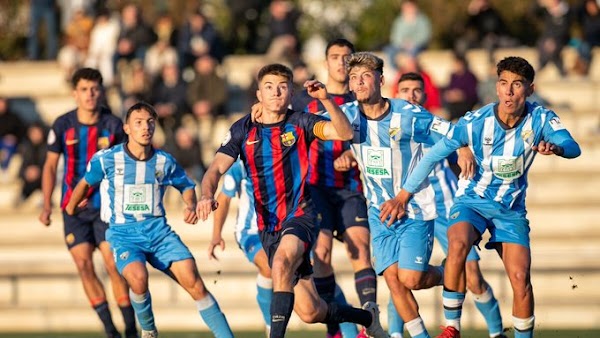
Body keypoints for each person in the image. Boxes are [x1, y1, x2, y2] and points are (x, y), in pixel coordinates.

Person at [393, 56, 581, 338]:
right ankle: (452, 328)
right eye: (504, 83)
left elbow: (573, 146)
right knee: (457, 245)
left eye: (517, 85)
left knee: (520, 280)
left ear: (529, 89)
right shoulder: (475, 122)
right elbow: (434, 154)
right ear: (496, 87)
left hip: (510, 209)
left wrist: (556, 148)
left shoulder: (541, 118)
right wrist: (404, 194)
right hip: (472, 202)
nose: (509, 91)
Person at [197, 63, 388, 338]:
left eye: (283, 87)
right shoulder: (242, 130)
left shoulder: (301, 122)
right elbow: (215, 169)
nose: (276, 92)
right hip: (268, 226)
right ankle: (367, 318)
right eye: (269, 87)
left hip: (301, 214)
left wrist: (325, 100)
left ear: (290, 93)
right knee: (311, 311)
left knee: (281, 262)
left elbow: (344, 133)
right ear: (258, 94)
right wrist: (206, 194)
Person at [65, 102, 234, 338]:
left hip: (159, 234)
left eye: (150, 122)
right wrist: (71, 207)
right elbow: (84, 183)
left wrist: (191, 205)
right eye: (139, 122)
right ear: (127, 128)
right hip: (124, 235)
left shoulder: (165, 161)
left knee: (194, 282)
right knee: (138, 278)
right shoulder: (107, 159)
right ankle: (148, 329)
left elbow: (185, 185)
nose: (146, 127)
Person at [332, 52, 448, 338]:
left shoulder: (407, 113)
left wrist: (465, 149)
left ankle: (450, 273)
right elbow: (308, 123)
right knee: (394, 280)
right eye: (354, 78)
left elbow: (450, 133)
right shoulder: (346, 114)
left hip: (414, 207)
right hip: (378, 210)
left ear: (381, 80)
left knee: (411, 278)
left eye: (366, 77)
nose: (359, 83)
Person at [384, 72, 504, 338]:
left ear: (426, 96)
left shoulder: (439, 127)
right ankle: (394, 334)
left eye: (417, 90)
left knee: (472, 276)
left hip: (447, 210)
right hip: (411, 211)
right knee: (399, 275)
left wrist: (465, 150)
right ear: (395, 95)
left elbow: (465, 144)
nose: (411, 95)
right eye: (405, 90)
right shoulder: (390, 130)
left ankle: (497, 333)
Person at [38, 68, 137, 338]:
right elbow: (49, 166)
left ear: (101, 91)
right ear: (75, 93)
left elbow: (129, 163)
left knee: (112, 263)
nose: (90, 95)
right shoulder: (62, 125)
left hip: (106, 207)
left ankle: (130, 328)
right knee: (83, 264)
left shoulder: (114, 125)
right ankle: (110, 331)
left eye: (94, 89)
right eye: (84, 89)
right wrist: (46, 204)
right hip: (73, 208)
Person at [292, 38, 375, 338]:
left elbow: (377, 139)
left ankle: (371, 320)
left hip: (351, 188)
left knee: (361, 249)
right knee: (322, 253)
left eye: (346, 57)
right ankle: (333, 329)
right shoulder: (306, 100)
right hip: (316, 188)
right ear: (326, 62)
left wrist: (354, 154)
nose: (341, 62)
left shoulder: (365, 100)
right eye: (335, 56)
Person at [209, 159, 273, 335]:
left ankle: (347, 327)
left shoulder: (283, 156)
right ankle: (271, 327)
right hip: (250, 232)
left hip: (281, 231)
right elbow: (224, 198)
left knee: (317, 270)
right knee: (268, 266)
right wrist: (216, 234)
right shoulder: (240, 164)